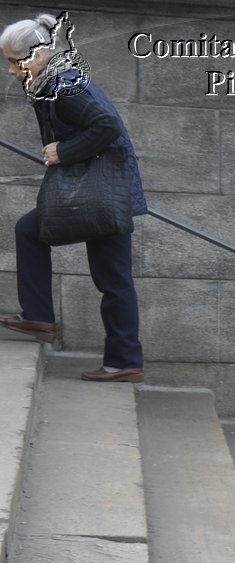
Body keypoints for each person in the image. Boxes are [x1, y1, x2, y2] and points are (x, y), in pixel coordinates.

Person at [1, 11, 145, 382]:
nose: (12, 72)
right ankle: (40, 318)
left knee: (113, 278)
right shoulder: (52, 82)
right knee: (32, 231)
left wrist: (62, 152)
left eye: (14, 63)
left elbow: (107, 125)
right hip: (101, 190)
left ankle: (124, 361)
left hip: (103, 192)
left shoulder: (65, 86)